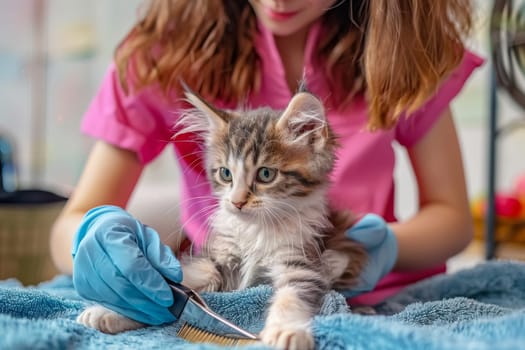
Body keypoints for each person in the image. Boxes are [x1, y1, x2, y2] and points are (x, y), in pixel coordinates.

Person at [51, 0, 483, 325]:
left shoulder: (403, 49)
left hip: (382, 298)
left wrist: (386, 248)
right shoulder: (163, 53)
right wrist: (94, 239)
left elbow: (453, 219)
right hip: (224, 289)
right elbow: (70, 223)